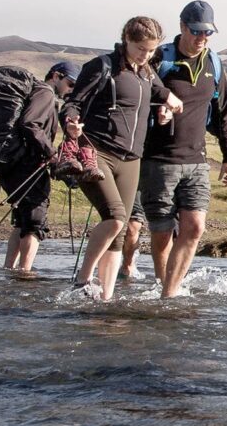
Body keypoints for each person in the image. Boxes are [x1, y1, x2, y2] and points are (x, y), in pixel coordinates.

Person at [64, 18, 182, 300]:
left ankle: (105, 297)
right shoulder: (102, 66)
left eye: (151, 51)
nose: (145, 55)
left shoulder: (146, 71)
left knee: (119, 232)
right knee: (117, 218)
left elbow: (156, 89)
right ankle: (83, 279)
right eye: (140, 49)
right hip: (96, 152)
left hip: (131, 160)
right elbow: (73, 102)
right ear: (126, 39)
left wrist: (169, 101)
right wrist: (69, 121)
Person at [141, 0, 227, 298]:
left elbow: (222, 112)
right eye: (196, 31)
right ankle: (164, 287)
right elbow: (139, 97)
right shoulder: (160, 59)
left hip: (197, 160)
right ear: (183, 27)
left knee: (195, 227)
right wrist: (157, 109)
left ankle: (169, 294)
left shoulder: (214, 63)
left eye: (208, 32)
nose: (202, 38)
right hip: (158, 160)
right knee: (161, 232)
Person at [0, 61, 79, 275]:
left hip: (16, 165)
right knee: (34, 220)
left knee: (21, 220)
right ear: (56, 76)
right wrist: (52, 153)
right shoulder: (45, 93)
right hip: (29, 166)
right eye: (69, 84)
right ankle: (25, 272)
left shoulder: (39, 92)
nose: (70, 90)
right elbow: (29, 123)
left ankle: (9, 270)